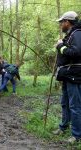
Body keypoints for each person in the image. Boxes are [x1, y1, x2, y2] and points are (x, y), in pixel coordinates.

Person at [53, 11, 81, 143]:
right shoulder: (70, 35)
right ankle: (63, 127)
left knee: (75, 106)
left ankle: (76, 135)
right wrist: (61, 45)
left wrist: (60, 46)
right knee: (65, 103)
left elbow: (76, 52)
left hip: (74, 76)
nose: (60, 25)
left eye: (61, 22)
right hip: (67, 75)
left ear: (67, 22)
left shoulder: (78, 34)